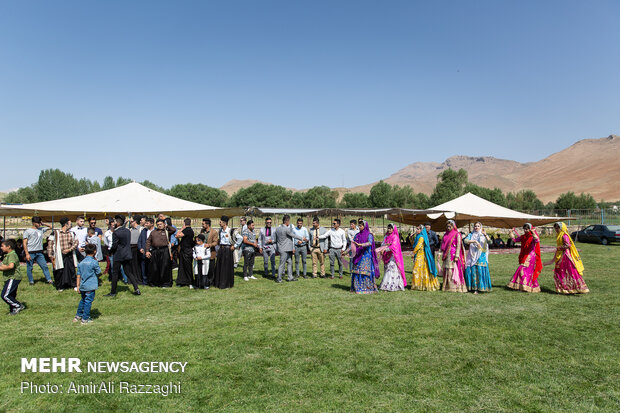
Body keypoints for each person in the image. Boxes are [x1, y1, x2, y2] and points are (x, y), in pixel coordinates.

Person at [544, 222, 589, 294]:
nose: (556, 229)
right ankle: (564, 289)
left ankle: (576, 288)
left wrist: (559, 248)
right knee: (561, 272)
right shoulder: (559, 235)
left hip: (565, 256)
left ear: (561, 228)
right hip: (561, 255)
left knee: (568, 272)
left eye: (557, 228)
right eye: (555, 228)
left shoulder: (564, 235)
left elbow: (568, 245)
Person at [105, 215, 141, 297]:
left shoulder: (116, 232)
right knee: (128, 272)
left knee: (115, 273)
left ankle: (113, 292)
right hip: (127, 253)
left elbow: (114, 245)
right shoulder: (128, 231)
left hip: (118, 255)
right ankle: (136, 289)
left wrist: (110, 252)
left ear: (117, 223)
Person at [506, 223, 542, 293]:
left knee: (522, 270)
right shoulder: (523, 237)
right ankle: (526, 287)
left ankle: (524, 287)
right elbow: (515, 240)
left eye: (527, 229)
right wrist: (511, 233)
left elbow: (537, 240)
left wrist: (533, 233)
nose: (525, 230)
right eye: (524, 229)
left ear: (530, 229)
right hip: (525, 255)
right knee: (527, 272)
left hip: (530, 256)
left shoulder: (532, 237)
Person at [47, 217, 78, 291]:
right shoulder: (55, 233)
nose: (71, 225)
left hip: (69, 254)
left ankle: (73, 284)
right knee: (59, 271)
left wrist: (69, 249)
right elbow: (50, 244)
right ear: (66, 224)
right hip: (59, 255)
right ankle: (60, 286)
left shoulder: (72, 233)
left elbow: (76, 242)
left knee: (71, 270)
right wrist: (50, 256)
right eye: (70, 223)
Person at [273, 215, 306, 283]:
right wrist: (302, 238)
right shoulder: (286, 229)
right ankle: (279, 278)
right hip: (285, 249)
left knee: (290, 262)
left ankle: (290, 277)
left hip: (283, 248)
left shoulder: (278, 229)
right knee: (282, 264)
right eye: (289, 221)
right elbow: (293, 235)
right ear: (287, 221)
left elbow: (276, 239)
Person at [350, 220, 379, 294]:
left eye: (361, 226)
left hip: (366, 256)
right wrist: (345, 252)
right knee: (357, 272)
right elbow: (353, 244)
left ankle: (367, 288)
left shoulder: (369, 235)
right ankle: (357, 287)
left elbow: (370, 243)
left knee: (364, 272)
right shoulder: (357, 235)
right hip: (358, 255)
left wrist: (361, 245)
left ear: (365, 226)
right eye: (358, 226)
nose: (359, 227)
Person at [74, 243, 100, 324]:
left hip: (82, 285)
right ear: (95, 251)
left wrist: (77, 286)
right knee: (88, 301)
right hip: (90, 285)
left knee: (83, 300)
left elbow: (78, 275)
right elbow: (98, 272)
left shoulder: (81, 263)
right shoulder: (94, 262)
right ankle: (85, 318)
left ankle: (78, 315)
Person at [22, 216, 53, 285]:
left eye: (39, 222)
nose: (39, 224)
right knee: (30, 267)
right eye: (38, 222)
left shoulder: (41, 229)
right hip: (30, 252)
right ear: (33, 223)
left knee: (44, 266)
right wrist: (27, 254)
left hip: (39, 252)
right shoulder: (28, 231)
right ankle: (31, 281)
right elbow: (24, 243)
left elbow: (51, 226)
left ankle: (49, 280)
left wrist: (43, 223)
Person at [145, 218, 176, 287]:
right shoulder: (153, 232)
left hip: (164, 250)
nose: (159, 226)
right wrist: (147, 251)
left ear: (164, 224)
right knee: (155, 267)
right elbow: (148, 241)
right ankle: (155, 282)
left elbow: (174, 230)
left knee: (164, 267)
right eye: (158, 224)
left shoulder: (166, 231)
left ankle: (165, 283)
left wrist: (167, 226)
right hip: (155, 251)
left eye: (161, 224)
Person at [463, 222, 492, 294]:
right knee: (472, 271)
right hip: (472, 255)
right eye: (475, 226)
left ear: (480, 227)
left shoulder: (483, 235)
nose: (476, 227)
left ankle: (481, 287)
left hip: (481, 255)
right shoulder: (471, 234)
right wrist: (474, 241)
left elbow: (490, 242)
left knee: (479, 271)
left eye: (478, 226)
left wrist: (485, 234)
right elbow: (465, 241)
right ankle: (474, 288)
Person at [440, 220, 467, 293]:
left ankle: (454, 287)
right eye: (447, 226)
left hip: (453, 255)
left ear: (453, 226)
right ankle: (447, 286)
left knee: (452, 270)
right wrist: (440, 252)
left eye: (450, 226)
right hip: (446, 254)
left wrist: (457, 256)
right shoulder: (445, 234)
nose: (448, 228)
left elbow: (459, 245)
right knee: (447, 269)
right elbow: (442, 244)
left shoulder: (457, 234)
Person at [411, 225, 439, 291]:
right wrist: (411, 237)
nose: (416, 230)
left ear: (421, 230)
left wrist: (413, 253)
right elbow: (413, 244)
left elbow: (418, 246)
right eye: (416, 229)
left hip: (421, 256)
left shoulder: (421, 237)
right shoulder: (418, 236)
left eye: (418, 229)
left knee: (417, 269)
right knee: (419, 270)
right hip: (419, 255)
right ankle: (419, 285)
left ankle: (421, 285)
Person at [378, 224, 405, 291]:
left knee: (391, 269)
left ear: (393, 229)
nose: (389, 230)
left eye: (390, 228)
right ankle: (386, 285)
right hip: (386, 255)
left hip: (393, 256)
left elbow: (394, 247)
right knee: (387, 269)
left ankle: (391, 285)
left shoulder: (395, 237)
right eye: (388, 228)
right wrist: (383, 247)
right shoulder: (386, 236)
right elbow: (383, 244)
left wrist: (385, 249)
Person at [1, 239, 25, 315]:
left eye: (2, 246)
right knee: (11, 295)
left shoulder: (12, 254)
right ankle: (13, 310)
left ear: (8, 247)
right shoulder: (8, 255)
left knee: (5, 295)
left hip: (13, 277)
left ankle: (18, 305)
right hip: (9, 277)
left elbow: (11, 266)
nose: (1, 248)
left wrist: (2, 268)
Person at [214, 216, 235, 289]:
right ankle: (219, 283)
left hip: (227, 249)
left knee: (226, 267)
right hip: (221, 249)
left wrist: (234, 246)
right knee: (220, 266)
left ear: (224, 223)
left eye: (220, 222)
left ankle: (226, 284)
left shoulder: (230, 231)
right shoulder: (220, 230)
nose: (219, 223)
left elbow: (240, 238)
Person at [175, 218, 195, 287]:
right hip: (185, 250)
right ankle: (182, 281)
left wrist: (181, 229)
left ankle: (189, 282)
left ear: (184, 223)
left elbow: (177, 235)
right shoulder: (190, 230)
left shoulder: (187, 230)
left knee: (187, 266)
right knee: (182, 266)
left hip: (187, 251)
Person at [201, 218, 219, 288]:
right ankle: (204, 281)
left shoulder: (214, 232)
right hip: (203, 253)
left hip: (211, 253)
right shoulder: (202, 231)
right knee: (204, 268)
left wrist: (209, 245)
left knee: (211, 269)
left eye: (203, 224)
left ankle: (211, 282)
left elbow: (215, 242)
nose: (202, 225)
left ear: (207, 225)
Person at [137, 218, 155, 285]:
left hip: (153, 252)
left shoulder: (156, 230)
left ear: (152, 223)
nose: (145, 224)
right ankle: (145, 281)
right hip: (144, 252)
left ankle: (152, 281)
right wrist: (140, 248)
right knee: (144, 267)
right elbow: (139, 241)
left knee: (152, 267)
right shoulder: (144, 231)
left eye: (147, 223)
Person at [129, 216, 144, 285]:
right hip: (131, 248)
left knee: (138, 264)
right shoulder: (130, 230)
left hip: (138, 248)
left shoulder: (141, 229)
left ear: (135, 221)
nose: (130, 223)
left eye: (131, 221)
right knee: (131, 264)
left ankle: (139, 279)